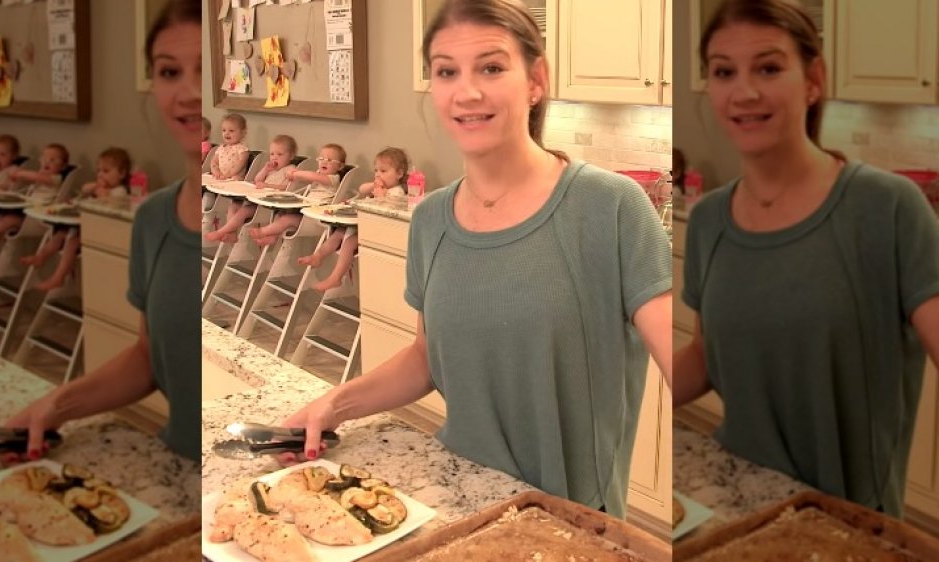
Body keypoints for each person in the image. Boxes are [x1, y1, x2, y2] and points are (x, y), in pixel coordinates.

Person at [278, 0, 671, 517]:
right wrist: (334, 405)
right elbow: (427, 356)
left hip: (569, 522)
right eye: (447, 71)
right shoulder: (432, 220)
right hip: (458, 503)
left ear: (535, 80)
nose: (467, 91)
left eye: (491, 67)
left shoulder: (609, 207)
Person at [673, 0, 939, 517]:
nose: (744, 91)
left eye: (769, 68)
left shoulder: (885, 208)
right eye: (724, 72)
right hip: (739, 506)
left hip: (849, 520)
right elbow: (706, 356)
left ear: (813, 79)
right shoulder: (708, 222)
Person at [5, 0, 202, 463]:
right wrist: (54, 407)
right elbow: (149, 356)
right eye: (170, 72)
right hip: (179, 471)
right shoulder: (155, 218)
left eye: (207, 71)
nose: (190, 92)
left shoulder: (253, 228)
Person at [20, 148, 132, 291]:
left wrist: (100, 190)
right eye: (98, 171)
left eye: (106, 171)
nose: (100, 175)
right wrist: (96, 186)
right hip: (84, 224)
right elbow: (85, 188)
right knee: (59, 234)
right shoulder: (99, 186)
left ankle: (58, 277)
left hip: (101, 230)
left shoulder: (119, 191)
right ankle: (41, 256)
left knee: (72, 241)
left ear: (122, 173)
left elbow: (110, 200)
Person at [298, 147, 409, 291]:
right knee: (337, 233)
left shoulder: (397, 193)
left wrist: (382, 197)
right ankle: (318, 256)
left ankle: (335, 278)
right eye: (376, 171)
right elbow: (362, 189)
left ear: (399, 173)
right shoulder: (377, 186)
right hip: (364, 224)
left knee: (349, 242)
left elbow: (389, 211)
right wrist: (373, 186)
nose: (378, 175)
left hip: (379, 230)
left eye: (383, 171)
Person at [204, 134, 298, 243]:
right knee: (233, 206)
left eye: (280, 154)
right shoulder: (271, 169)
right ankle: (232, 233)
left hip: (270, 206)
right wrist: (265, 170)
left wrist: (268, 186)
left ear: (291, 156)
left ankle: (221, 232)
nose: (274, 157)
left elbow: (288, 188)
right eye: (272, 154)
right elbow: (257, 179)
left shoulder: (290, 170)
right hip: (257, 201)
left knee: (243, 211)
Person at [248, 143, 346, 247]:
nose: (324, 162)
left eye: (329, 160)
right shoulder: (319, 175)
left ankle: (263, 231)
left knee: (286, 219)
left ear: (340, 166)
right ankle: (272, 237)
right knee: (280, 214)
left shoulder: (333, 178)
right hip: (307, 210)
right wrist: (295, 177)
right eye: (321, 158)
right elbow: (308, 178)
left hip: (316, 217)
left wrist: (296, 173)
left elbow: (313, 176)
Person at [0, 143, 69, 247]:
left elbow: (37, 177)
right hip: (30, 213)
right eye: (44, 158)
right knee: (6, 215)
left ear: (63, 166)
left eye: (52, 160)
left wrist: (19, 173)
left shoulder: (56, 178)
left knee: (11, 219)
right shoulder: (40, 179)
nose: (46, 162)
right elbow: (34, 179)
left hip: (40, 220)